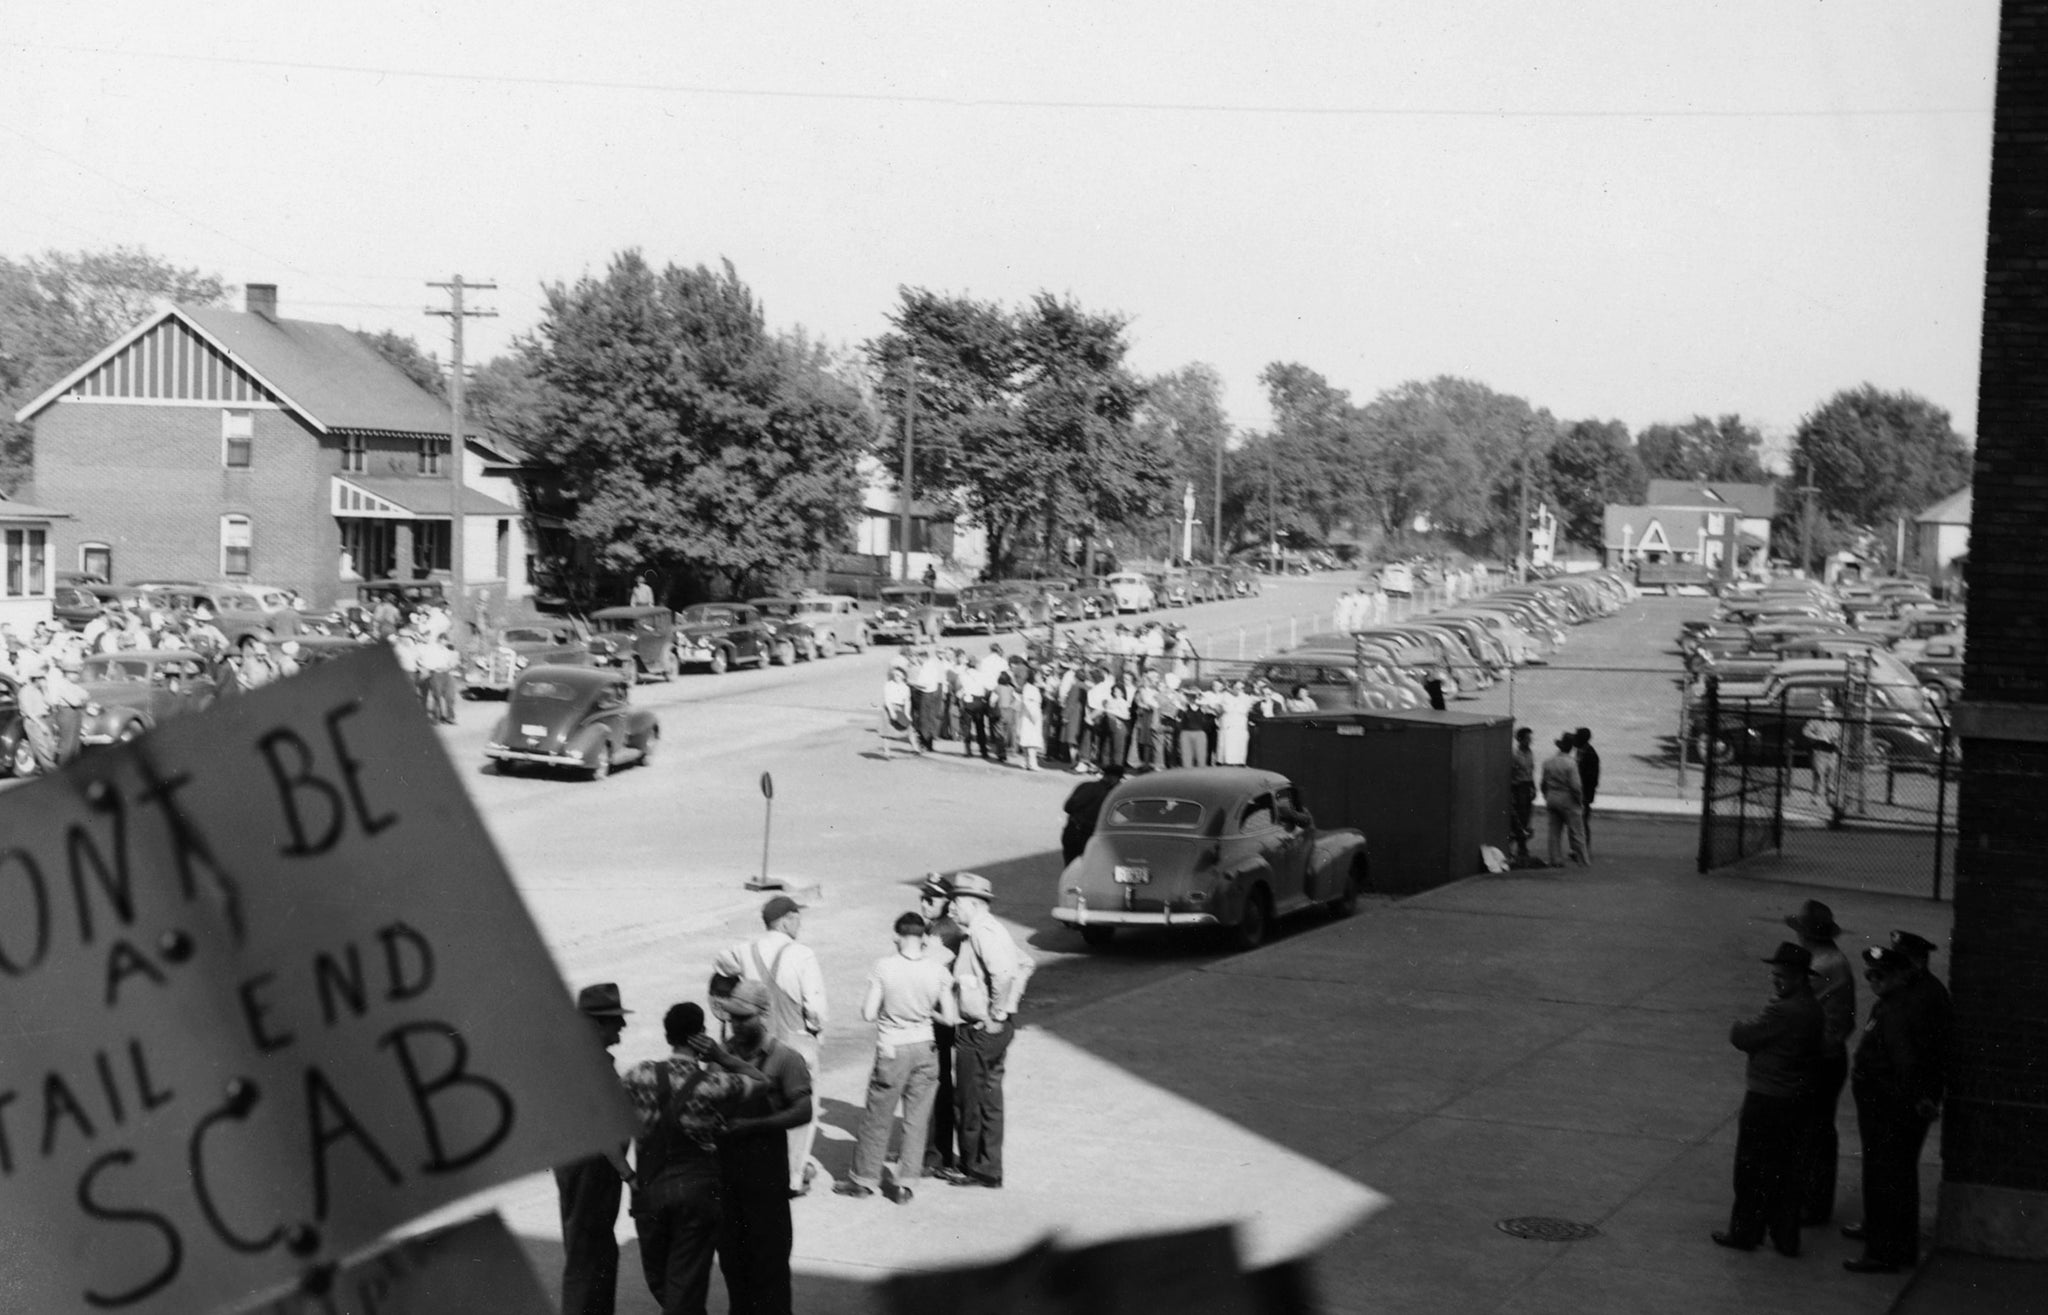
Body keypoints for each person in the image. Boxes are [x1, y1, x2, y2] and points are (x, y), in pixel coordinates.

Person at [621, 1003, 764, 1315]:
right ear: (700, 1036)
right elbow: (761, 1082)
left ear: (667, 1035)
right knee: (686, 1281)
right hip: (697, 1193)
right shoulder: (713, 1084)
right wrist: (721, 1056)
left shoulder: (638, 1074)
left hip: (649, 1190)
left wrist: (628, 1176)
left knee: (663, 1280)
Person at [1842, 945, 1950, 1273]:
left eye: (1882, 975)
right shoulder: (1892, 1005)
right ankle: (1898, 1247)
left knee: (1885, 1178)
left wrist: (1905, 1100)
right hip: (1887, 1106)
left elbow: (1906, 1065)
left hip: (1886, 1108)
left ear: (1901, 975)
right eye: (1870, 975)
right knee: (1896, 1178)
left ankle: (1883, 1252)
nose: (1875, 980)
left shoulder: (1897, 1012)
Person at [838, 912, 960, 1204]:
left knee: (877, 1117)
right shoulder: (938, 970)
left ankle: (864, 1180)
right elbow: (951, 1017)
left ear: (897, 936)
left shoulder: (884, 967)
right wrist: (926, 1012)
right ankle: (905, 1184)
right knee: (916, 1121)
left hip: (892, 1048)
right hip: (926, 1048)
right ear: (923, 939)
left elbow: (868, 1013)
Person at [712, 897, 828, 1196]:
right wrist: (815, 1032)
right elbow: (816, 1009)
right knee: (800, 1111)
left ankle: (757, 1170)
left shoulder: (744, 950)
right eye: (797, 917)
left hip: (758, 1043)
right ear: (787, 920)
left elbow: (721, 963)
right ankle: (792, 1177)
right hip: (796, 1040)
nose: (800, 923)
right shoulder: (802, 955)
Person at [1714, 942, 1822, 1258]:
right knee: (1785, 1171)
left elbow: (1743, 1036)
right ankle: (1785, 1236)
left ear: (1800, 977)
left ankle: (1745, 1231)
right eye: (1775, 975)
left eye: (1783, 976)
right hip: (1793, 1099)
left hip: (1767, 1098)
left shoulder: (1784, 1010)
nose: (1776, 981)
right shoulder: (1811, 1009)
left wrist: (1741, 1026)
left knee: (1750, 1169)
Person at [715, 982, 812, 1315]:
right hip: (728, 1182)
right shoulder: (722, 1055)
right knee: (733, 1264)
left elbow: (804, 1110)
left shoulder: (786, 1059)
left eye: (744, 1018)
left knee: (769, 1268)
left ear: (764, 1015)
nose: (736, 1025)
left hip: (766, 1183)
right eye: (732, 1018)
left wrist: (754, 1125)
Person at [941, 872, 1034, 1189]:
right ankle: (989, 1168)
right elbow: (1025, 964)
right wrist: (1008, 1008)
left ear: (972, 903)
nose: (951, 909)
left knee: (969, 1101)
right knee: (989, 1099)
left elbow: (1006, 973)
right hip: (991, 1029)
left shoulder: (982, 932)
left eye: (955, 903)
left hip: (979, 1031)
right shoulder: (985, 931)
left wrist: (997, 1012)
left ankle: (971, 1168)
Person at [557, 984, 633, 1315]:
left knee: (596, 1253)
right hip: (593, 1172)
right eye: (616, 1020)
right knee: (588, 1257)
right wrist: (628, 1174)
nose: (623, 1027)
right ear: (596, 1025)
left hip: (581, 1170)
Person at [1784, 900, 1855, 1227]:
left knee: (1813, 1131)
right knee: (1818, 1129)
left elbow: (1791, 1004)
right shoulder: (1833, 960)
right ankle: (1813, 1200)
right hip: (1829, 1054)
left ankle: (1812, 1203)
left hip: (1819, 1057)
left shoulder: (1821, 967)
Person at [915, 875, 967, 1178]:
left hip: (939, 1020)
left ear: (946, 901)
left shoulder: (946, 932)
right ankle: (928, 1150)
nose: (925, 903)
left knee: (937, 1087)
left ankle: (937, 1155)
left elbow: (925, 970)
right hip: (933, 1016)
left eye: (931, 899)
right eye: (923, 897)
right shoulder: (935, 928)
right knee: (930, 1084)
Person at [1060, 764, 1125, 865]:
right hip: (1091, 836)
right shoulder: (1114, 795)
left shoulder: (1085, 786)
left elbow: (1067, 807)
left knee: (1070, 867)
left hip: (1071, 832)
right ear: (1114, 778)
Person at [1539, 733, 1588, 866]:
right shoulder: (1571, 764)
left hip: (1552, 797)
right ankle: (1583, 861)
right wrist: (1579, 801)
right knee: (1577, 832)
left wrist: (1546, 795)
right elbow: (1576, 786)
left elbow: (1543, 784)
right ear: (1571, 748)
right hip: (1567, 799)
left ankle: (1555, 860)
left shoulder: (1548, 762)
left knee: (1554, 831)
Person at [1803, 695, 1842, 803]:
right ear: (1820, 711)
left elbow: (1841, 738)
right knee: (1819, 775)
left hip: (1832, 753)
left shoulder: (1836, 724)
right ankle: (1816, 796)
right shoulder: (1814, 722)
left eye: (1828, 711)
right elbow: (1806, 732)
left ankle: (1830, 798)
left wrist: (1835, 741)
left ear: (1832, 712)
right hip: (1819, 752)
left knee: (1831, 776)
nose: (1826, 713)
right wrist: (1819, 738)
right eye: (1824, 711)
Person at [1572, 727, 1601, 858]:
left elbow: (1592, 778)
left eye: (1577, 736)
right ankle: (1578, 849)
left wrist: (1585, 795)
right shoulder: (1580, 751)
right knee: (1578, 823)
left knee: (1582, 823)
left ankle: (1583, 850)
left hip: (1584, 794)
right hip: (1579, 793)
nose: (1574, 739)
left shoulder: (1590, 754)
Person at [1509, 727, 1537, 863]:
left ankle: (1522, 847)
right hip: (1517, 787)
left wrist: (1533, 788)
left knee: (1526, 818)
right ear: (1520, 739)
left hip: (1526, 786)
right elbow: (1510, 773)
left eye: (1530, 738)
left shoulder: (1530, 753)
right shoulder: (1514, 754)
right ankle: (1517, 847)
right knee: (1518, 818)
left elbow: (1531, 771)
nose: (1530, 741)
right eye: (1527, 738)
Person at [1214, 679, 1255, 766]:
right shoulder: (1223, 696)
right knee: (1227, 745)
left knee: (1239, 744)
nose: (1240, 690)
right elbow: (1218, 710)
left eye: (1241, 688)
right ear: (1231, 688)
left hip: (1240, 725)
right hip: (1228, 724)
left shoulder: (1245, 697)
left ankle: (1239, 763)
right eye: (1237, 688)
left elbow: (1247, 710)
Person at [1013, 668, 1046, 772]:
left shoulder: (1028, 688)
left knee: (1028, 741)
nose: (1040, 677)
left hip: (1027, 717)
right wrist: (1035, 717)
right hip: (1031, 717)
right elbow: (1029, 704)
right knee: (1032, 742)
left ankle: (1027, 762)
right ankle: (1032, 763)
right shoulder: (1031, 688)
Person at [880, 666, 916, 758]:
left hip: (901, 708)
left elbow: (907, 701)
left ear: (903, 676)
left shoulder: (906, 687)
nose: (896, 677)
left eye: (899, 675)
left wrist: (907, 713)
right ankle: (886, 751)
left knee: (908, 728)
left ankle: (915, 748)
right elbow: (887, 699)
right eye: (895, 675)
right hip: (890, 707)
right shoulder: (889, 685)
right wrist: (891, 712)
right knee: (886, 731)